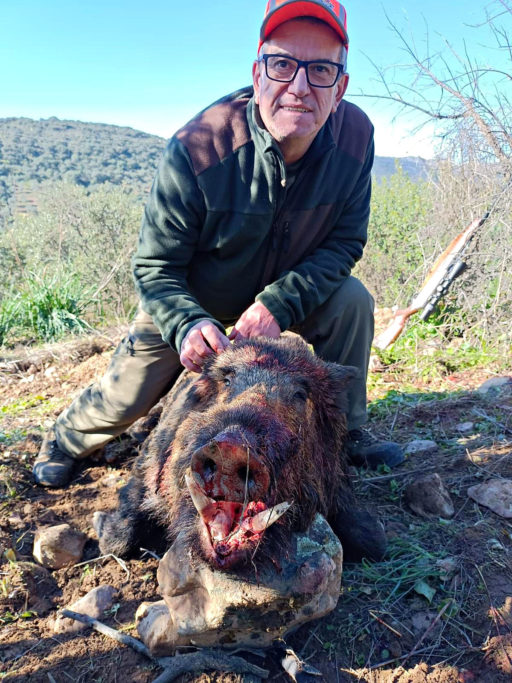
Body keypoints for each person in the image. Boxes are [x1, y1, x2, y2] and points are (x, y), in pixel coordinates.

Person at [33, 0, 404, 488]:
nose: (299, 86)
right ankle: (66, 437)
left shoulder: (356, 139)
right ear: (258, 73)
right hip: (197, 297)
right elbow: (154, 266)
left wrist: (280, 302)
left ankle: (348, 430)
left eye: (320, 70)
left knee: (352, 300)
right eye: (282, 64)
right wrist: (186, 323)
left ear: (341, 87)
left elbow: (344, 242)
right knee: (126, 395)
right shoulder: (198, 146)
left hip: (285, 293)